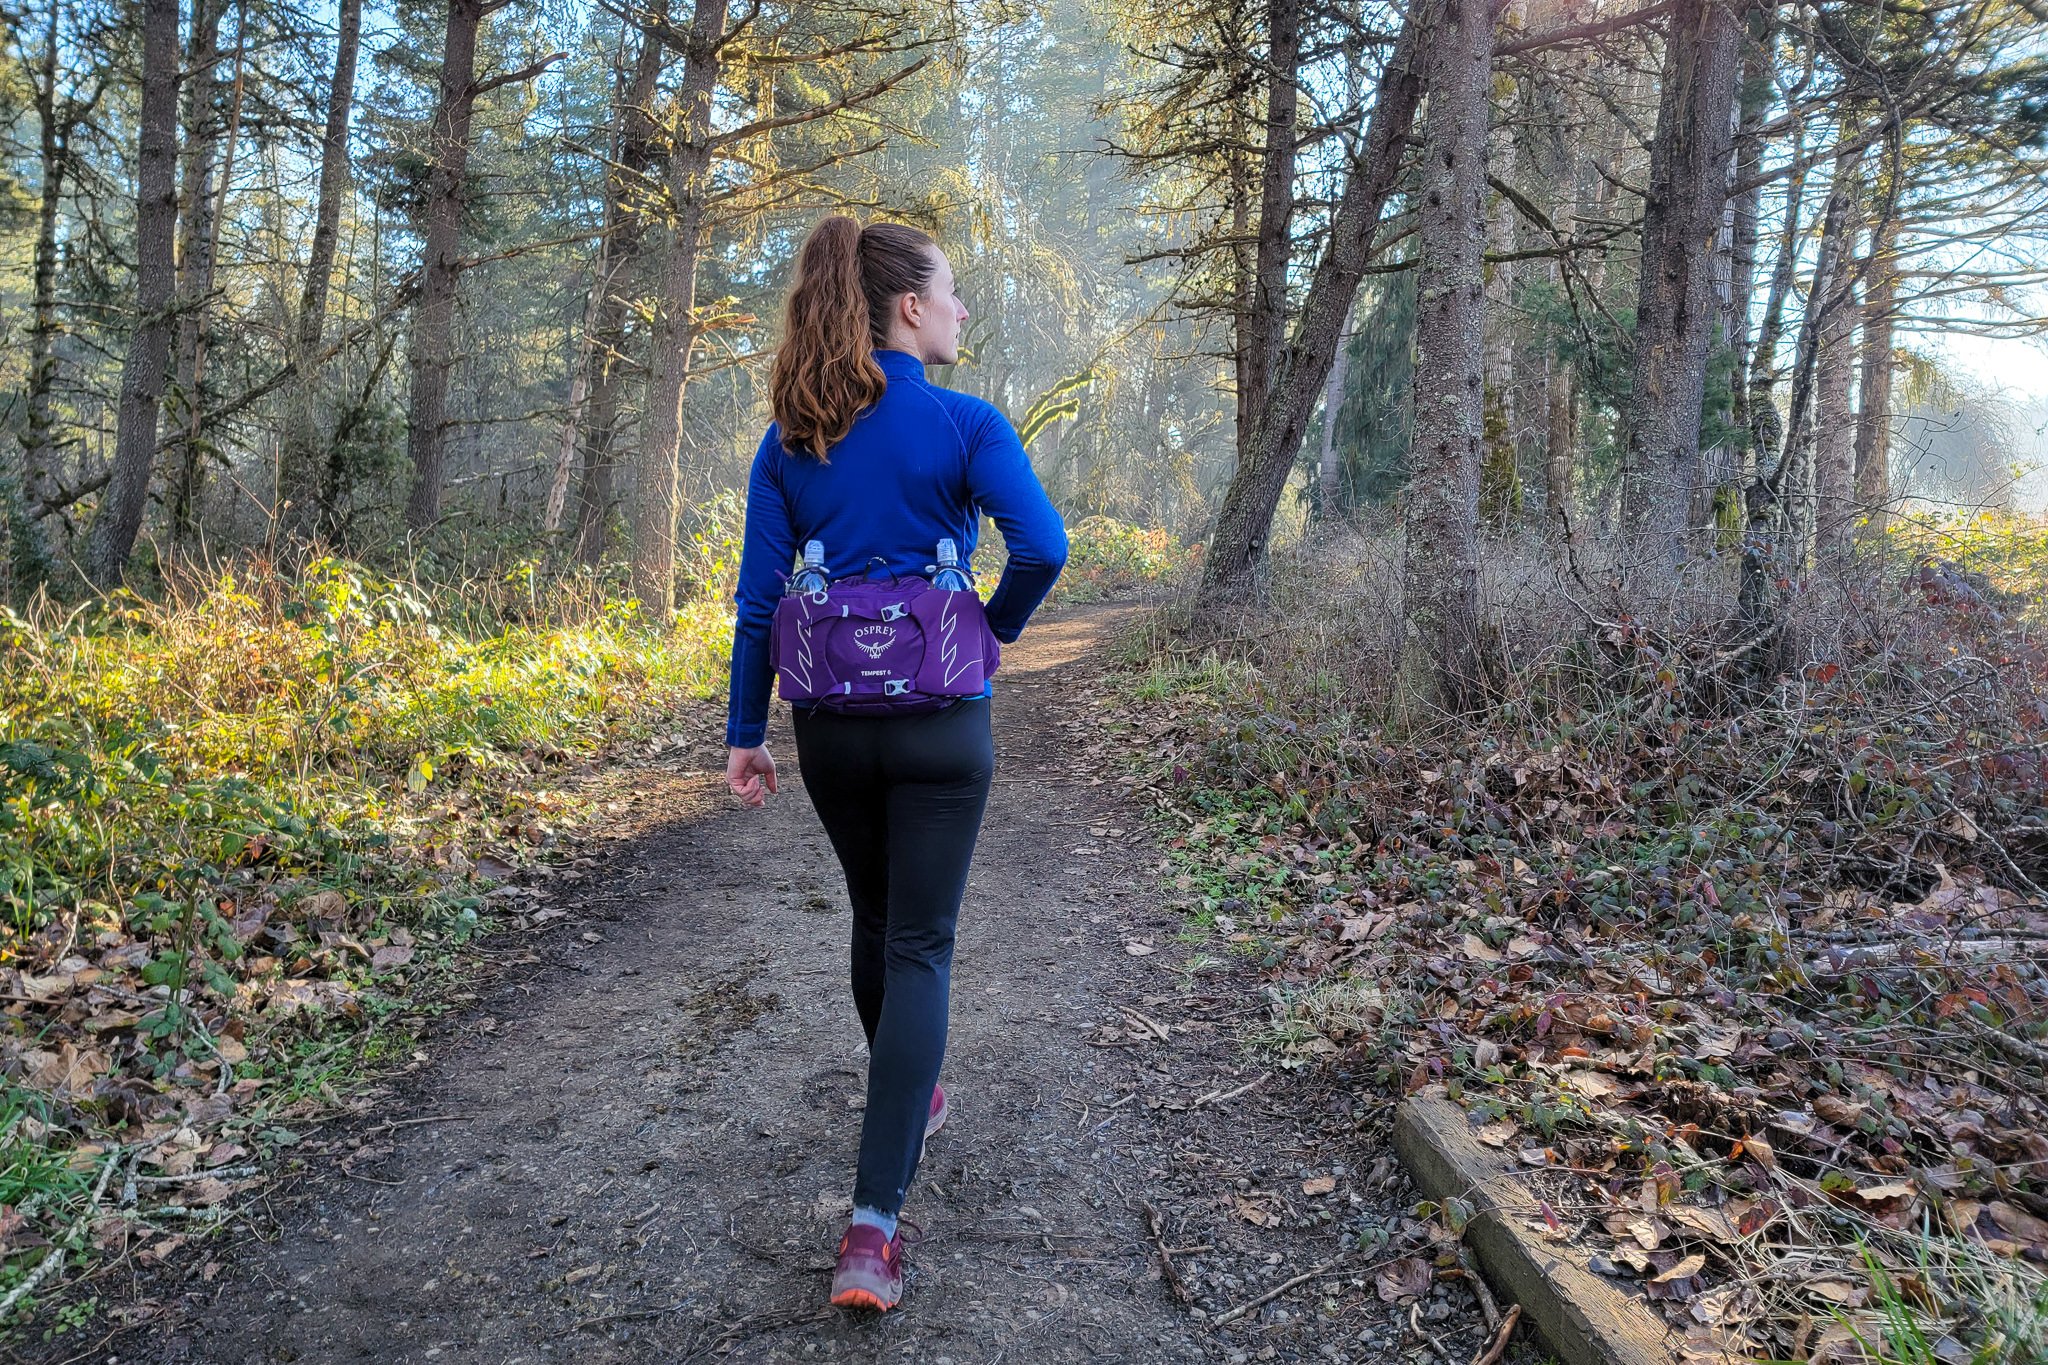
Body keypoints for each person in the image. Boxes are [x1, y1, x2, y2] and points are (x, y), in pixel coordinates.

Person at [722, 216, 1068, 1312]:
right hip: (940, 725)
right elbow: (1043, 547)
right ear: (908, 308)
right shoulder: (965, 423)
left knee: (874, 922)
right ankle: (872, 1230)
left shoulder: (791, 440)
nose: (963, 311)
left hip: (830, 730)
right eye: (951, 294)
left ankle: (907, 1095)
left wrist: (744, 732)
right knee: (920, 943)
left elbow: (757, 606)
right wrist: (989, 629)